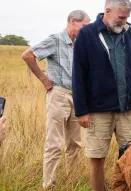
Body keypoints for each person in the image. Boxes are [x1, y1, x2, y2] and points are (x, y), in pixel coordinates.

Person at [72, 0, 131, 190]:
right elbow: (78, 74)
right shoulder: (87, 34)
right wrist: (81, 110)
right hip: (98, 111)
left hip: (126, 109)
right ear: (107, 11)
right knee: (97, 158)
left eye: (127, 18)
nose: (124, 21)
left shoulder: (130, 34)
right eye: (121, 17)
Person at [21, 10, 90, 189]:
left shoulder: (80, 45)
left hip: (77, 97)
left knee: (75, 143)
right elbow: (28, 55)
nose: (86, 30)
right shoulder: (56, 40)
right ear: (73, 22)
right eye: (84, 26)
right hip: (58, 95)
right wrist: (44, 80)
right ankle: (48, 185)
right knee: (54, 143)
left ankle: (71, 182)